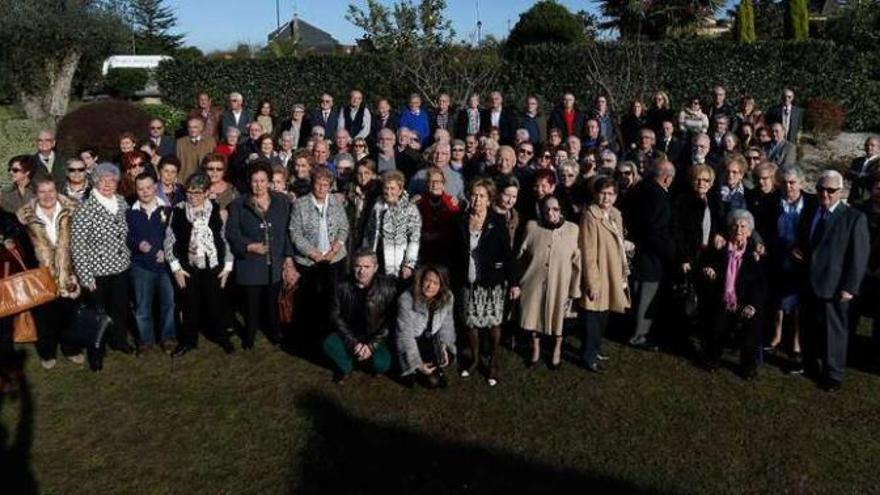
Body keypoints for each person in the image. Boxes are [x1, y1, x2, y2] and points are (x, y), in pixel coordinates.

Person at [796, 170, 869, 391]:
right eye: (820, 189)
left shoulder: (854, 218)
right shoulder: (811, 211)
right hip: (808, 280)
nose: (824, 194)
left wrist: (850, 287)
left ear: (841, 191)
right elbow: (808, 241)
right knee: (807, 327)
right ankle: (809, 366)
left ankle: (833, 375)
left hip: (835, 284)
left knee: (833, 332)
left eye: (830, 190)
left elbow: (858, 257)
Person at [453, 179, 518, 387]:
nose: (477, 199)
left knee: (492, 323)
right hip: (468, 280)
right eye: (474, 194)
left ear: (489, 200)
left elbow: (508, 255)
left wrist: (514, 282)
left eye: (482, 196)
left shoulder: (497, 222)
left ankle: (493, 360)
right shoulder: (461, 220)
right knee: (470, 322)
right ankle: (474, 358)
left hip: (491, 282)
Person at [226, 160, 298, 349]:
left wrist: (288, 258)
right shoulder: (238, 204)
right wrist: (249, 246)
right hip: (251, 264)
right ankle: (249, 336)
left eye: (262, 180)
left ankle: (274, 332)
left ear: (269, 181)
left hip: (275, 263)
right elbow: (232, 233)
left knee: (273, 302)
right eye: (254, 181)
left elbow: (286, 232)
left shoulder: (282, 201)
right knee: (251, 305)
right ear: (249, 182)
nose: (258, 185)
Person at [164, 173, 236, 357]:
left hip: (214, 266)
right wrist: (176, 268)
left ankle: (222, 337)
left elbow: (227, 239)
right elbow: (169, 241)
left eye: (197, 193)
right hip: (189, 267)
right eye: (189, 192)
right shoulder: (178, 210)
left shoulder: (218, 211)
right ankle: (189, 341)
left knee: (216, 303)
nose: (192, 197)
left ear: (206, 193)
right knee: (189, 305)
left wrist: (227, 267)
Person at [16, 177, 83, 369]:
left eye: (50, 191)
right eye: (42, 191)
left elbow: (81, 241)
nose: (47, 195)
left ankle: (71, 349)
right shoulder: (25, 217)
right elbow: (22, 248)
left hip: (69, 272)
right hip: (41, 275)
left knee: (69, 313)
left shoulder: (72, 210)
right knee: (44, 317)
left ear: (57, 191)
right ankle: (47, 353)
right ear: (36, 194)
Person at [69, 163, 135, 355]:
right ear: (95, 182)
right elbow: (78, 245)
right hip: (97, 272)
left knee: (120, 308)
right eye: (102, 180)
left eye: (112, 180)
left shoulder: (123, 202)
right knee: (98, 313)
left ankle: (119, 340)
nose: (107, 184)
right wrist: (86, 277)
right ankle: (96, 351)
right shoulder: (85, 207)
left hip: (121, 268)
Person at [699, 209, 767, 380]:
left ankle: (748, 366)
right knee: (717, 321)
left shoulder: (755, 255)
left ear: (750, 232)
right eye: (735, 226)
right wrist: (709, 272)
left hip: (744, 302)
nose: (739, 230)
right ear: (729, 230)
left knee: (753, 323)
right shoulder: (719, 250)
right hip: (722, 299)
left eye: (743, 227)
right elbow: (707, 268)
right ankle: (712, 360)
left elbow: (760, 285)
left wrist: (752, 305)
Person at [517, 196, 581, 369]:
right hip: (533, 283)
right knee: (534, 317)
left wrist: (574, 291)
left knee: (558, 319)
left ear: (561, 210)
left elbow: (577, 263)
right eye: (547, 210)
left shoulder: (573, 229)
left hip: (560, 283)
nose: (550, 213)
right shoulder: (532, 227)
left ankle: (556, 349)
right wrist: (518, 282)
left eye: (555, 209)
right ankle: (536, 349)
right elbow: (521, 257)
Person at [289, 167, 349, 337]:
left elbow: (344, 227)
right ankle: (310, 333)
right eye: (318, 184)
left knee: (333, 298)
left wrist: (334, 249)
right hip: (309, 261)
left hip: (334, 260)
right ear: (312, 184)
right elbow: (295, 233)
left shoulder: (336, 202)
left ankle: (332, 332)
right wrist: (313, 253)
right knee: (311, 298)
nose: (322, 188)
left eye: (326, 185)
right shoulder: (300, 204)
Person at [623, 159, 676, 350]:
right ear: (667, 179)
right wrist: (670, 252)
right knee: (647, 295)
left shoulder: (637, 189)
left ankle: (632, 330)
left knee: (637, 294)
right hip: (651, 254)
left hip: (635, 250)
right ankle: (639, 336)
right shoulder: (660, 197)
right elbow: (656, 230)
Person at [580, 176, 631, 373]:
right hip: (599, 272)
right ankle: (589, 356)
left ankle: (595, 349)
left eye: (610, 193)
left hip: (614, 272)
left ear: (616, 196)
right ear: (595, 194)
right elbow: (588, 251)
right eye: (603, 193)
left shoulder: (616, 214)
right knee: (594, 316)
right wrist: (592, 281)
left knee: (604, 315)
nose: (606, 197)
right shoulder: (590, 216)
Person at [323, 249, 397, 383]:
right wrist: (353, 343)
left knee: (383, 364)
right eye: (358, 266)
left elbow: (390, 320)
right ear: (352, 267)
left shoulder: (388, 287)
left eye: (367, 267)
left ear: (375, 268)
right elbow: (335, 316)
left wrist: (372, 346)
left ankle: (363, 359)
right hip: (349, 335)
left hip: (373, 337)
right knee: (328, 344)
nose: (361, 271)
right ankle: (346, 367)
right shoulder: (341, 285)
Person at [766, 166, 815, 357]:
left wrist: (805, 251)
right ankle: (776, 334)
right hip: (778, 256)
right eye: (785, 182)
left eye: (793, 182)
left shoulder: (812, 203)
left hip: (801, 259)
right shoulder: (773, 201)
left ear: (801, 183)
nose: (789, 186)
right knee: (778, 299)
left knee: (797, 301)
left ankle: (796, 338)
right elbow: (767, 229)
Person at [125, 173, 175, 354]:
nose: (145, 192)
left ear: (155, 187)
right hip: (141, 266)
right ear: (136, 190)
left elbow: (171, 234)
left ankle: (168, 337)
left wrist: (165, 250)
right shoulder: (130, 212)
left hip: (164, 265)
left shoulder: (167, 209)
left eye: (148, 187)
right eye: (140, 188)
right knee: (142, 306)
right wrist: (138, 244)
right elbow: (127, 236)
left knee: (168, 303)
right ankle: (146, 340)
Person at [396, 265, 457, 388]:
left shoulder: (447, 297)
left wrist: (445, 345)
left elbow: (447, 325)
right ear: (421, 280)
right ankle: (412, 372)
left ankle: (433, 366)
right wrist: (416, 363)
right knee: (432, 382)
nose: (430, 286)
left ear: (442, 286)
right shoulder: (406, 298)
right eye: (427, 280)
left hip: (431, 339)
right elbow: (404, 335)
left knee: (448, 357)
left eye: (435, 283)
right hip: (413, 340)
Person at [363, 170, 421, 281]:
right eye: (386, 188)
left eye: (392, 188)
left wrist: (408, 265)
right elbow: (369, 232)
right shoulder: (377, 206)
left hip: (398, 260)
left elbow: (414, 239)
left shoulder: (410, 209)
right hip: (377, 257)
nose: (388, 192)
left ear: (400, 190)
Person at [176, 117, 217, 181]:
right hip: (186, 179)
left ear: (201, 128)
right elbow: (178, 160)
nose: (192, 130)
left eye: (195, 127)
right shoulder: (180, 142)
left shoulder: (210, 141)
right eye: (190, 127)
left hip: (206, 178)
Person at [845, 136, 880, 205]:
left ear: (879, 148)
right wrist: (864, 176)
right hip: (854, 198)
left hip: (871, 200)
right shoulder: (857, 161)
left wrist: (858, 175)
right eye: (866, 145)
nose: (869, 148)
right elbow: (849, 175)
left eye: (872, 145)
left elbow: (875, 177)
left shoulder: (878, 162)